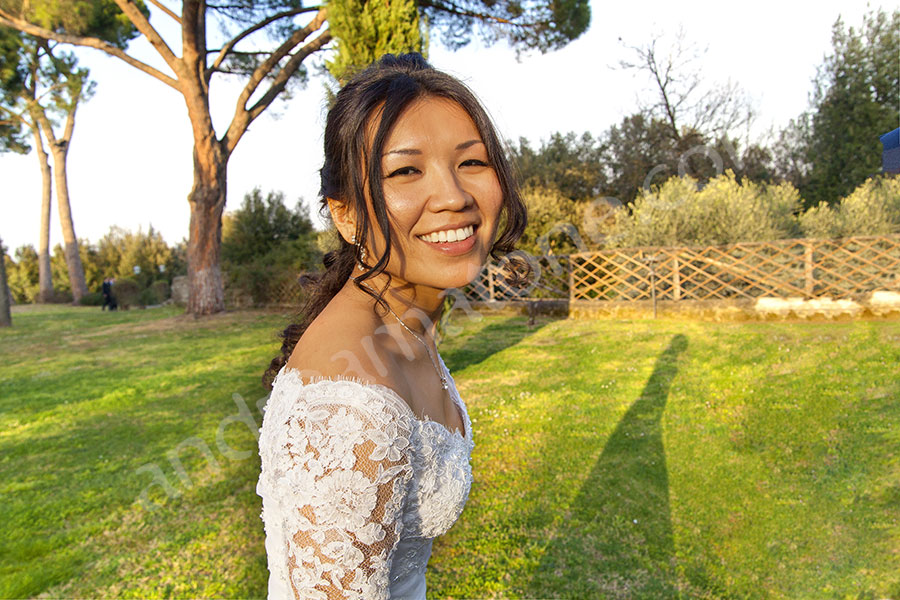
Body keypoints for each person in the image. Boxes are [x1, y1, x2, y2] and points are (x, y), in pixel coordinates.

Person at [256, 53, 527, 599]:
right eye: (406, 170)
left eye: (471, 162)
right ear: (346, 213)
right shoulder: (350, 407)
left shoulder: (405, 322)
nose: (454, 196)